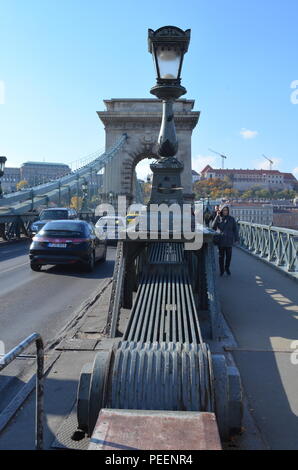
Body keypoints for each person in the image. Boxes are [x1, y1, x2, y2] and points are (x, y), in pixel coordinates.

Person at [212, 205, 239, 276]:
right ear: (221, 211)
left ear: (228, 211)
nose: (225, 211)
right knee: (221, 256)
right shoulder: (218, 218)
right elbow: (213, 227)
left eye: (226, 210)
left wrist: (236, 239)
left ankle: (227, 268)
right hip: (221, 240)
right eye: (224, 210)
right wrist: (217, 217)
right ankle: (221, 270)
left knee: (229, 256)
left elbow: (235, 230)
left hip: (229, 240)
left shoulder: (231, 219)